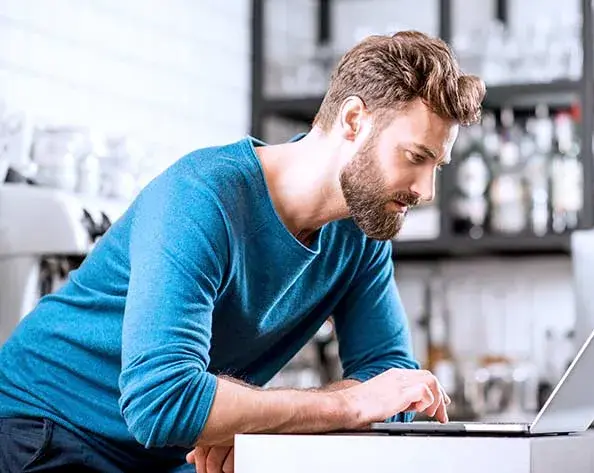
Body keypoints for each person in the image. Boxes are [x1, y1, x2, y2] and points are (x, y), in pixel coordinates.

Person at [0, 30, 485, 472]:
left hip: (164, 457)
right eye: (416, 157)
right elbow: (163, 403)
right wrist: (337, 407)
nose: (427, 191)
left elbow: (397, 389)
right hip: (44, 430)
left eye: (437, 165)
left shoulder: (361, 232)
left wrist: (254, 419)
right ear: (354, 120)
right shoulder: (201, 197)